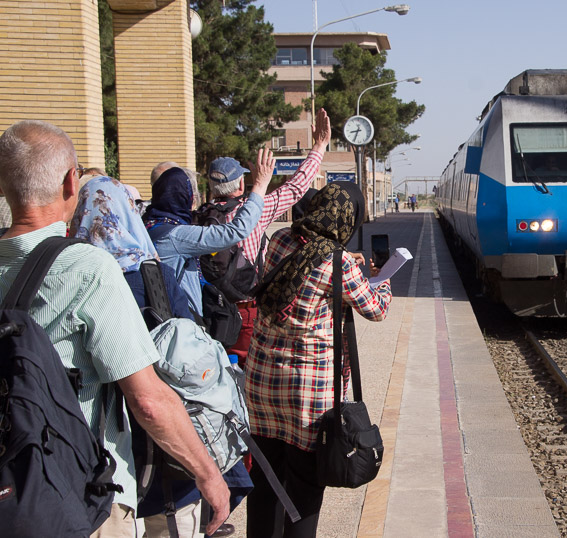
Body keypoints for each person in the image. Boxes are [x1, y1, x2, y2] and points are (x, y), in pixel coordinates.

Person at [0, 119, 229, 536]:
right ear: (71, 183)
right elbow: (148, 400)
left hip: (2, 483)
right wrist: (207, 473)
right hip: (79, 490)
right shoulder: (88, 267)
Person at [244, 181, 392, 537]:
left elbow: (302, 262)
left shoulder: (279, 240)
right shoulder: (338, 262)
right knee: (304, 490)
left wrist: (347, 262)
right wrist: (380, 281)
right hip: (308, 398)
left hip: (261, 384)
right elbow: (376, 309)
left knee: (265, 481)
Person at [205, 108, 331, 364]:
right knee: (250, 371)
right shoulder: (252, 214)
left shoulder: (198, 218)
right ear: (241, 185)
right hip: (247, 311)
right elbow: (296, 187)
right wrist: (319, 146)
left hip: (210, 308)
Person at [142, 148, 275, 316]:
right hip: (181, 319)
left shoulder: (147, 224)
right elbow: (236, 231)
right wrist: (260, 185)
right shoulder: (176, 236)